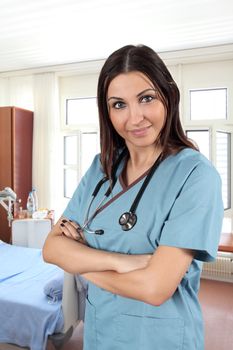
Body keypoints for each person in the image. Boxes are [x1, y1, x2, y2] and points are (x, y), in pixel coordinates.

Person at [43, 44, 224, 350]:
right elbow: (51, 248)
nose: (135, 117)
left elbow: (155, 288)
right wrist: (126, 263)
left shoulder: (195, 176)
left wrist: (80, 263)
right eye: (118, 105)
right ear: (107, 112)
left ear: (168, 96)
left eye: (146, 98)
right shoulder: (102, 168)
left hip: (160, 340)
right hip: (101, 335)